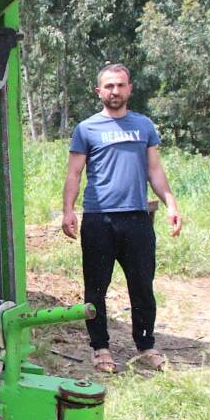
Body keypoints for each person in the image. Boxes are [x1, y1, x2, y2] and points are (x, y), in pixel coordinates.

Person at [62, 63, 182, 374]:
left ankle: (146, 346)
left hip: (137, 219)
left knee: (142, 285)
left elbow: (154, 170)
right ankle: (100, 347)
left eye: (120, 85)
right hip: (99, 220)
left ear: (129, 89)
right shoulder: (86, 129)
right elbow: (74, 173)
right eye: (109, 86)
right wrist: (68, 210)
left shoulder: (143, 126)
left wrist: (171, 202)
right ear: (98, 91)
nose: (115, 91)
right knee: (96, 288)